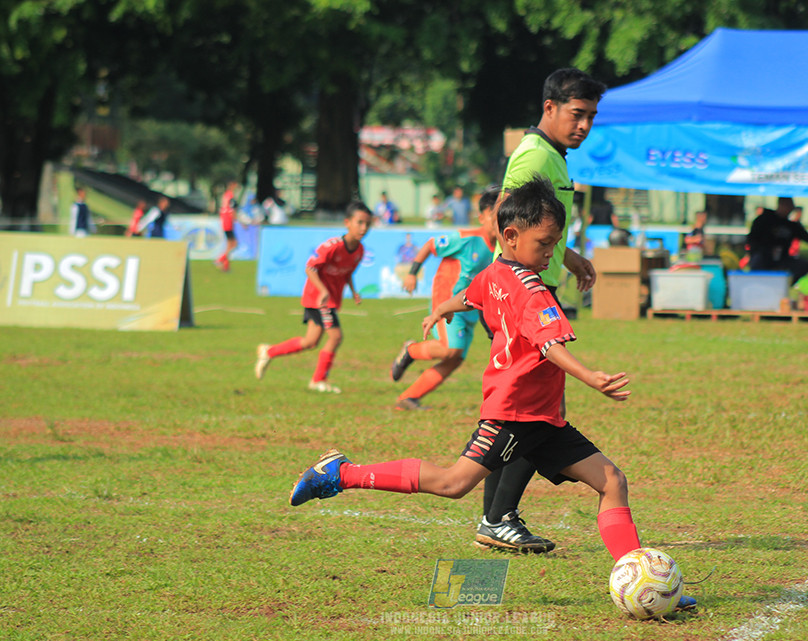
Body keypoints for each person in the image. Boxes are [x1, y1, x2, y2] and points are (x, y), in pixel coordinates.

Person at [286, 177, 697, 612]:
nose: (550, 253)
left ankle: (643, 584)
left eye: (556, 243)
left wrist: (442, 308)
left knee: (612, 480)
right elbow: (550, 345)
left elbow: (473, 294)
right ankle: (341, 473)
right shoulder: (532, 290)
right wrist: (590, 377)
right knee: (452, 483)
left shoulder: (500, 270)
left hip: (543, 420)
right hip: (513, 413)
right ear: (511, 236)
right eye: (544, 243)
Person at [477, 67, 605, 553]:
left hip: (530, 292)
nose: (585, 125)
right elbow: (507, 218)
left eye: (591, 116)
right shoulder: (534, 154)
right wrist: (522, 286)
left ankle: (497, 516)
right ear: (549, 107)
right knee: (538, 415)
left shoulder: (553, 155)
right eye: (577, 114)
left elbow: (535, 224)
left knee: (531, 414)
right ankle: (497, 516)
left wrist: (568, 259)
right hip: (523, 296)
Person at [390, 185, 500, 411]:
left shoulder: (501, 248)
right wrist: (412, 274)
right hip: (447, 299)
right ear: (482, 216)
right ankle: (411, 350)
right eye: (496, 212)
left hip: (469, 307)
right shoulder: (467, 238)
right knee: (450, 349)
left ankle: (408, 398)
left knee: (455, 358)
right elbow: (431, 245)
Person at [254, 201, 373, 393]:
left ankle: (269, 351)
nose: (364, 228)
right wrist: (323, 291)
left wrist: (354, 291)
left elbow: (347, 272)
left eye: (368, 224)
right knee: (335, 336)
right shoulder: (332, 246)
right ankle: (318, 380)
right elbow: (310, 268)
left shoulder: (359, 250)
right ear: (347, 223)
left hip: (329, 299)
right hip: (319, 298)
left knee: (310, 342)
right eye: (359, 222)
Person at [746, 197, 808, 284]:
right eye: (788, 206)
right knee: (757, 262)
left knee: (803, 265)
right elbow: (751, 239)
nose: (790, 209)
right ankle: (757, 285)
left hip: (782, 259)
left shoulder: (791, 226)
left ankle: (783, 285)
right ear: (781, 205)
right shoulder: (763, 220)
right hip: (762, 257)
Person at [216, 181, 239, 272]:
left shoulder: (225, 195)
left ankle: (225, 266)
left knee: (230, 244)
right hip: (228, 221)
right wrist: (236, 218)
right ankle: (220, 259)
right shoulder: (230, 196)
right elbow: (232, 209)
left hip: (225, 220)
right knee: (233, 244)